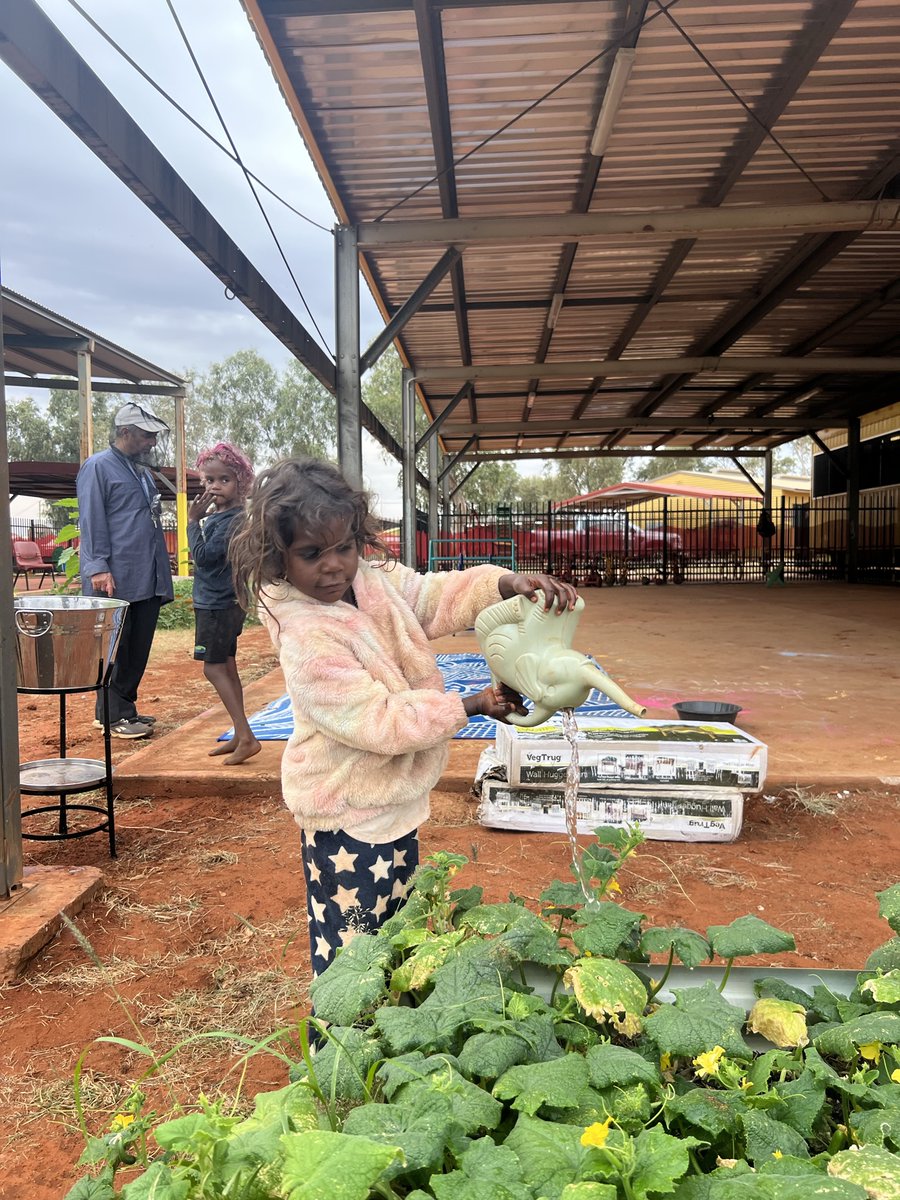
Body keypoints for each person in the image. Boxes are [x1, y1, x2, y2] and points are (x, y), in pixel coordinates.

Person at [230, 457, 578, 976]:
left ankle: (385, 1038)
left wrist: (505, 583)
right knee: (354, 961)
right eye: (311, 553)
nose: (333, 565)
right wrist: (470, 705)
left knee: (394, 937)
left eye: (344, 546)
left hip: (391, 801)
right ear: (277, 558)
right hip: (347, 811)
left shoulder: (370, 580)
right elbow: (380, 720)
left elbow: (429, 596)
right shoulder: (306, 637)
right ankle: (341, 1048)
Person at [77, 402, 174, 739]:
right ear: (125, 433)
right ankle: (112, 715)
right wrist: (98, 567)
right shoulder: (97, 467)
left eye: (154, 436)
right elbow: (91, 521)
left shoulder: (141, 471)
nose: (152, 443)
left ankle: (124, 708)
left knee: (138, 643)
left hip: (147, 574)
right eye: (147, 436)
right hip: (115, 576)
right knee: (117, 644)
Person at [187, 442, 260, 766]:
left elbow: (203, 558)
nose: (214, 486)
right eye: (209, 480)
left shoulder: (231, 520)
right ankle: (239, 733)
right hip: (225, 601)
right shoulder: (222, 516)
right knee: (227, 667)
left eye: (224, 479)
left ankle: (246, 736)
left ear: (241, 483)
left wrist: (192, 522)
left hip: (217, 605)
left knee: (213, 667)